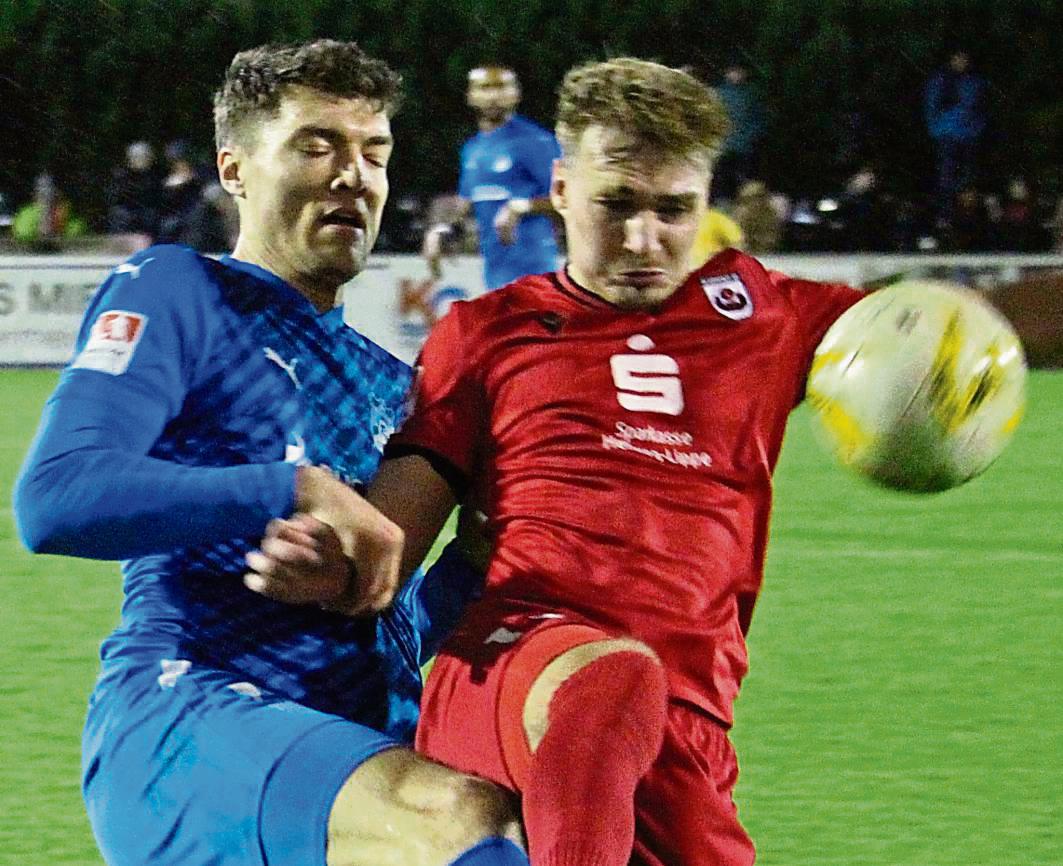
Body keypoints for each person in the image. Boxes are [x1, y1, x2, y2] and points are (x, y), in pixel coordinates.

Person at [249, 58, 868, 866]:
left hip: (688, 724)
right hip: (513, 668)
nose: (645, 237)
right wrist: (335, 558)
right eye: (617, 203)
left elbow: (923, 338)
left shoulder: (763, 312)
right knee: (611, 683)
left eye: (674, 210)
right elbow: (392, 532)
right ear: (564, 190)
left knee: (630, 705)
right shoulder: (486, 332)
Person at [13, 40, 531, 866]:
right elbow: (55, 497)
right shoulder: (179, 289)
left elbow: (384, 618)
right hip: (189, 723)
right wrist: (291, 487)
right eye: (316, 145)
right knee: (463, 822)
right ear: (236, 168)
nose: (352, 174)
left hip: (344, 752)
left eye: (374, 152)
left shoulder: (398, 385)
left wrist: (471, 564)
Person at [423, 66, 561, 290]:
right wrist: (442, 231)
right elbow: (467, 204)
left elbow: (567, 197)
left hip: (535, 273)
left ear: (516, 94)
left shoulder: (535, 141)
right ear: (470, 96)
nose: (494, 96)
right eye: (485, 88)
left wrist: (521, 206)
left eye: (502, 87)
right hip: (495, 273)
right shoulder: (473, 149)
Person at [924, 50, 987, 223]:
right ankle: (945, 216)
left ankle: (967, 218)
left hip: (968, 136)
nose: (961, 61)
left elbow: (980, 108)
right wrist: (936, 129)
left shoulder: (974, 81)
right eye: (957, 58)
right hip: (946, 135)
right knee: (946, 176)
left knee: (968, 177)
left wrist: (977, 129)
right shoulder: (940, 80)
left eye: (964, 58)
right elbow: (931, 106)